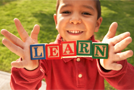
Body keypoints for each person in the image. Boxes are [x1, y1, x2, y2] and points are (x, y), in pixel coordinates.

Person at [1, 0, 134, 90]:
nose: (75, 20)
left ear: (97, 24)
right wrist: (29, 70)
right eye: (66, 12)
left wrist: (111, 68)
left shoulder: (104, 54)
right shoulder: (44, 55)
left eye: (86, 13)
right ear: (56, 21)